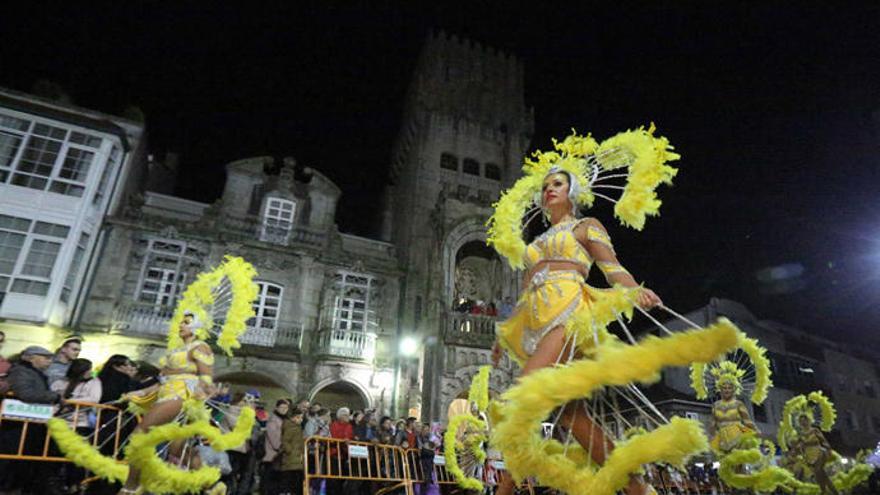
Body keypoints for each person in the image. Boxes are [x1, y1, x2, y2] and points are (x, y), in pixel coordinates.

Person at [485, 128, 732, 495]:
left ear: (573, 192)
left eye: (558, 184)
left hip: (569, 313)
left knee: (524, 394)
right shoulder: (535, 243)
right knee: (573, 418)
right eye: (545, 185)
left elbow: (611, 268)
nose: (549, 189)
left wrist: (635, 291)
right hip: (536, 322)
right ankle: (638, 487)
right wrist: (506, 334)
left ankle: (505, 488)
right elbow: (524, 293)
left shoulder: (587, 227)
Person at [117, 311, 216, 494]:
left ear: (197, 326)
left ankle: (131, 486)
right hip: (165, 393)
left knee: (140, 434)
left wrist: (201, 395)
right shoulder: (177, 350)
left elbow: (206, 378)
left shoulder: (200, 347)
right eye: (180, 322)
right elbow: (160, 380)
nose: (181, 325)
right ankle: (212, 486)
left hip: (182, 395)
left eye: (186, 322)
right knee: (177, 450)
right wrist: (141, 392)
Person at [794, 414, 839, 495]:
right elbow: (798, 446)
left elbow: (823, 440)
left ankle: (823, 491)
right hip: (809, 456)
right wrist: (797, 447)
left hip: (819, 452)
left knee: (818, 470)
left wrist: (829, 450)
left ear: (808, 421)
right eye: (801, 421)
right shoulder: (800, 434)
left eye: (805, 421)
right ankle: (835, 492)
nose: (803, 423)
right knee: (822, 475)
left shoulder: (815, 430)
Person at [710, 380, 757, 453]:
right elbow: (713, 423)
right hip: (722, 437)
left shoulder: (738, 404)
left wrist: (755, 430)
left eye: (729, 388)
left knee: (738, 459)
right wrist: (712, 435)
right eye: (724, 388)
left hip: (737, 434)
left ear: (733, 390)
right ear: (720, 390)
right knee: (725, 460)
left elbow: (747, 421)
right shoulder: (716, 405)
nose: (727, 390)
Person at [261, 398, 291, 495]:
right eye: (282, 407)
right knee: (269, 481)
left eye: (286, 408)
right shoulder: (272, 420)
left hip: (282, 456)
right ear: (277, 408)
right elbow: (273, 437)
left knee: (277, 482)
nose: (284, 409)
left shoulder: (286, 420)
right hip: (273, 455)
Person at [280, 409, 306, 495]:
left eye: (302, 418)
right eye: (299, 417)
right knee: (290, 480)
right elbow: (285, 440)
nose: (301, 420)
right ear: (293, 418)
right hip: (291, 459)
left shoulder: (297, 428)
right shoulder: (291, 428)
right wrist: (290, 451)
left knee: (295, 481)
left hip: (296, 459)